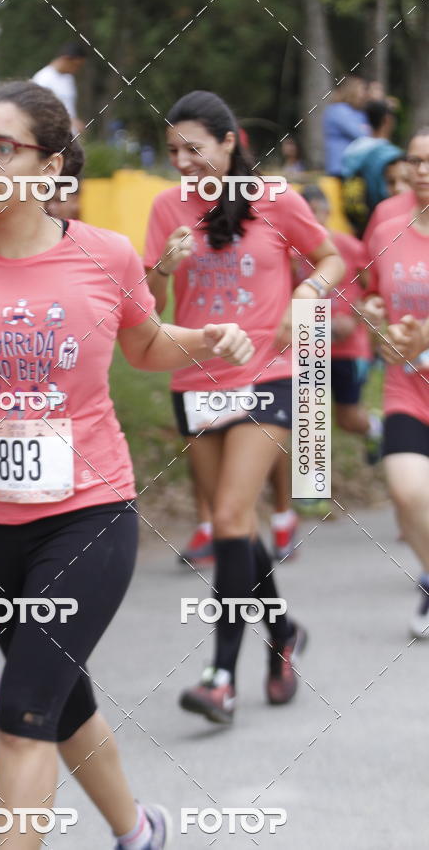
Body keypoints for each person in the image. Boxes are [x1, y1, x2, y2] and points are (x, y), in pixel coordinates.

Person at [0, 80, 253, 849]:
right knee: (62, 700)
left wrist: (207, 335)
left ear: (50, 163)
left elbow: (145, 345)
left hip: (89, 516)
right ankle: (139, 830)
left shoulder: (106, 255)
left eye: (0, 147)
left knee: (21, 720)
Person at [144, 90, 344, 724]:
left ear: (230, 144)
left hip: (269, 373)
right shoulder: (164, 206)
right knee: (234, 529)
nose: (184, 161)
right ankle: (281, 630)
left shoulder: (278, 200)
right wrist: (162, 268)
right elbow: (145, 306)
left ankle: (219, 678)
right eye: (174, 150)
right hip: (195, 382)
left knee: (229, 516)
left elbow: (333, 258)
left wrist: (302, 298)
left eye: (195, 149)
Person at [362, 127, 429, 638]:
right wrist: (377, 315)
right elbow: (372, 297)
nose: (421, 170)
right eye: (414, 161)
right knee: (407, 497)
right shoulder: (387, 230)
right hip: (408, 384)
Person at [301, 185, 382, 463]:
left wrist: (355, 318)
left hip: (349, 349)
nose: (313, 219)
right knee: (308, 418)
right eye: (306, 214)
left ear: (328, 212)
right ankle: (312, 487)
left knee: (347, 418)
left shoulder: (350, 247)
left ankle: (375, 429)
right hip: (310, 348)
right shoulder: (293, 253)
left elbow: (373, 289)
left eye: (317, 212)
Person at [341, 100, 405, 234]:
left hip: (355, 223)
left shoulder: (352, 149)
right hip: (382, 224)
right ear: (387, 120)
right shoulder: (389, 154)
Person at [32, 42, 87, 134]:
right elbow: (39, 111)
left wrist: (74, 121)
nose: (77, 69)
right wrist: (68, 120)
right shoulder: (43, 79)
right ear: (65, 59)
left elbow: (69, 107)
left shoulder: (68, 78)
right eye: (76, 65)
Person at [323, 76, 369, 177]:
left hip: (354, 167)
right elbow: (360, 134)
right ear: (351, 91)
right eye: (361, 91)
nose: (364, 95)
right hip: (341, 167)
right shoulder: (338, 110)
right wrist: (365, 129)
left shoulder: (358, 113)